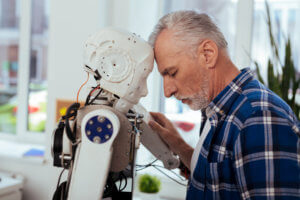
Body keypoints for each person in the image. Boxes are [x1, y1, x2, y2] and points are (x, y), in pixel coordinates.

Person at [148, 10, 300, 200]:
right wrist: (178, 145)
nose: (167, 91)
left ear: (207, 54)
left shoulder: (258, 117)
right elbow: (217, 181)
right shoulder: (218, 110)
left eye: (172, 73)